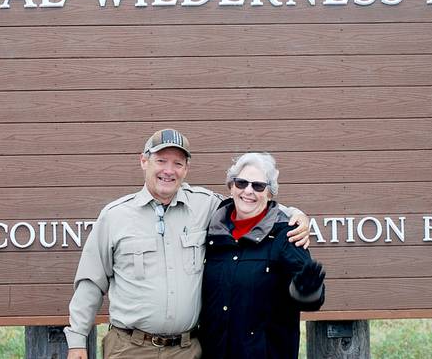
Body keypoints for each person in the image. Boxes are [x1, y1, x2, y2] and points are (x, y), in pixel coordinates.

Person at [64, 129, 311, 359]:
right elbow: (91, 283)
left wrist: (295, 214)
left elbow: (249, 201)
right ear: (144, 161)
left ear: (186, 169)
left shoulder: (206, 206)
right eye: (161, 161)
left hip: (187, 350)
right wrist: (77, 341)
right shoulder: (115, 215)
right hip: (129, 348)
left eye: (177, 163)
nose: (169, 170)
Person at [199, 152, 325, 359]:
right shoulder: (212, 232)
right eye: (241, 183)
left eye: (258, 186)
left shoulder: (288, 235)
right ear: (231, 187)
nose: (248, 191)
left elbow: (310, 300)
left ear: (269, 193)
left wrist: (305, 290)